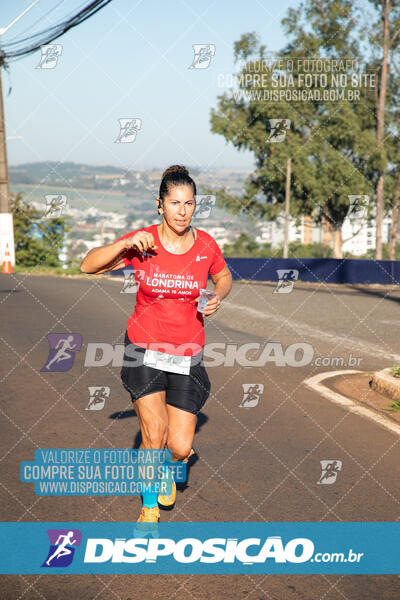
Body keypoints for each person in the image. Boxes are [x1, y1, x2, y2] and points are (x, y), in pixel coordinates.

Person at [80, 164, 232, 525]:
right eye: (174, 203)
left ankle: (170, 468)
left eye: (189, 203)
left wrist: (218, 296)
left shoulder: (206, 245)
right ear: (160, 205)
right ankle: (148, 507)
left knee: (179, 446)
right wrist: (124, 244)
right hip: (144, 349)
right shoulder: (143, 241)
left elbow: (222, 276)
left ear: (195, 206)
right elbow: (89, 266)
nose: (182, 211)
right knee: (154, 433)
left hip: (187, 353)